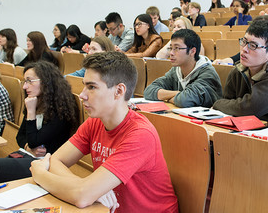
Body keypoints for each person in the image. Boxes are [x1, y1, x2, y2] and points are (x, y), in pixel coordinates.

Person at [30, 51, 179, 213]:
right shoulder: (95, 122)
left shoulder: (140, 134)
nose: (82, 95)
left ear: (119, 91)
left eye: (92, 87)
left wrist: (39, 173)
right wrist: (88, 188)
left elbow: (82, 197)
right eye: (84, 85)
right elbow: (55, 162)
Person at [0, 61, 79, 186]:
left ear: (46, 81)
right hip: (28, 156)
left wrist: (31, 112)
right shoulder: (36, 101)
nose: (24, 86)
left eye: (30, 81)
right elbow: (20, 136)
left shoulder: (60, 108)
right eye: (25, 81)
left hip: (45, 165)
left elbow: (35, 141)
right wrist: (28, 147)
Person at [212, 16, 268, 126]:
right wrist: (223, 105)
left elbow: (249, 108)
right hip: (242, 130)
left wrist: (217, 104)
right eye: (244, 41)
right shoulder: (237, 71)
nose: (244, 49)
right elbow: (226, 107)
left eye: (253, 46)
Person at [144, 29, 222, 108]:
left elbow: (184, 100)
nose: (171, 53)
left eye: (177, 48)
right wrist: (178, 93)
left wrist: (166, 96)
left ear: (192, 51)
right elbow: (149, 91)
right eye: (171, 48)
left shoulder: (207, 73)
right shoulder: (176, 71)